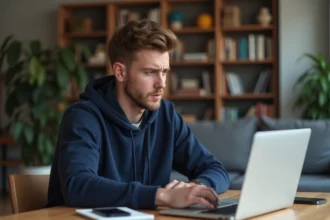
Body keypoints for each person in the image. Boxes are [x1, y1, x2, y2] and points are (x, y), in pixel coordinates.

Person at [46, 19, 229, 210]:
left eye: (164, 72)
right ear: (120, 72)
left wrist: (194, 188)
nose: (162, 84)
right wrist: (163, 196)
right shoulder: (83, 117)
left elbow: (216, 170)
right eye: (150, 72)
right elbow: (77, 186)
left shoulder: (165, 115)